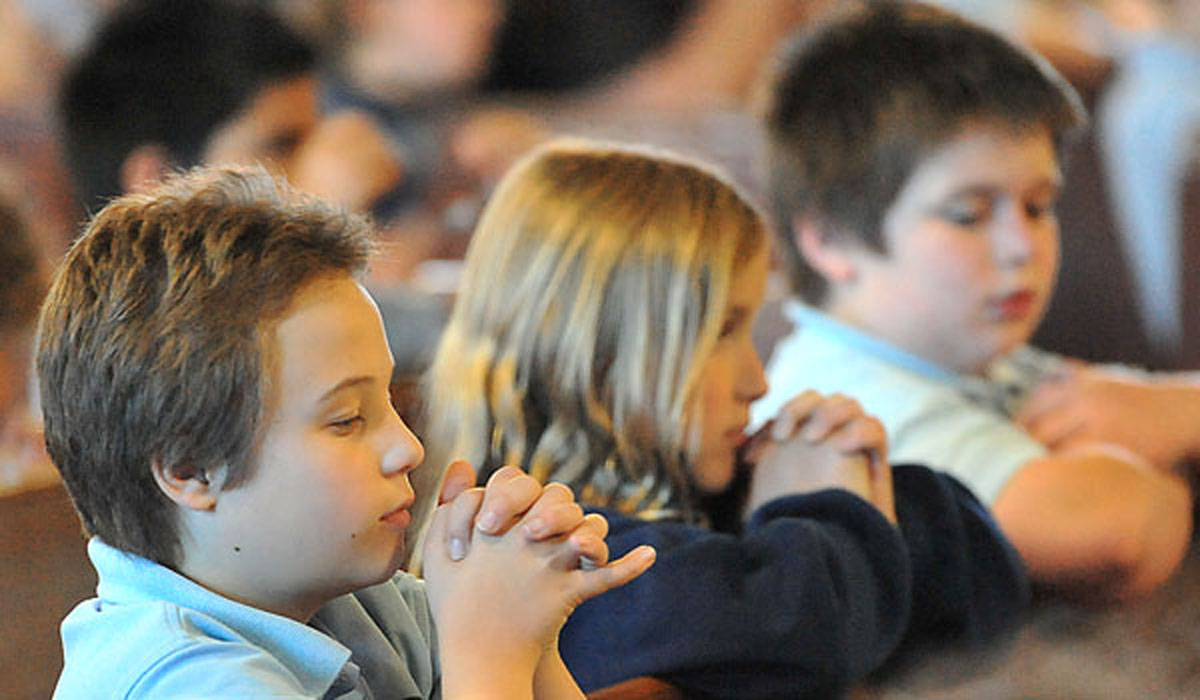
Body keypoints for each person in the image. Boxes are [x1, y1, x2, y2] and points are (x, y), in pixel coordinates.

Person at [421, 139, 1028, 698]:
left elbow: (981, 582)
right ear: (602, 356)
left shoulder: (706, 512)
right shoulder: (545, 554)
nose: (756, 381)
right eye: (724, 332)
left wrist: (873, 483)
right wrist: (826, 506)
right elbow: (805, 638)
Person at [37, 165, 654, 698]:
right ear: (190, 469)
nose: (408, 449)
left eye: (389, 402)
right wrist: (488, 648)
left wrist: (527, 632)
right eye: (346, 420)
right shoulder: (178, 679)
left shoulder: (361, 606)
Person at [754, 0, 1193, 604]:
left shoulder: (973, 358)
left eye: (1038, 207)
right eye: (969, 215)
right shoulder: (851, 401)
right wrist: (1173, 444)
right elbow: (1118, 537)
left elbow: (1138, 414)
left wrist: (1172, 417)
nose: (1022, 248)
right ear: (830, 239)